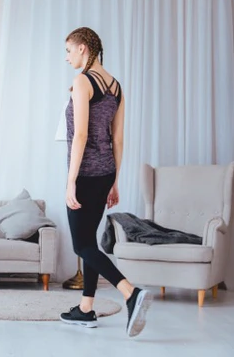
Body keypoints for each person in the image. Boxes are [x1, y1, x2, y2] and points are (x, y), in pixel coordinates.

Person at [59, 27, 152, 337]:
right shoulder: (116, 86)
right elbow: (119, 139)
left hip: (85, 174)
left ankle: (130, 292)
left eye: (69, 50)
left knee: (81, 244)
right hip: (106, 173)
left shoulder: (82, 81)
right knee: (88, 239)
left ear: (84, 48)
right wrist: (115, 181)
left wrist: (70, 181)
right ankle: (86, 309)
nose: (67, 57)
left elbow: (81, 135)